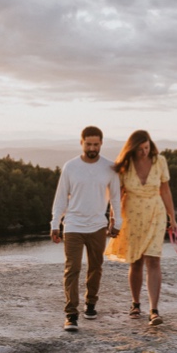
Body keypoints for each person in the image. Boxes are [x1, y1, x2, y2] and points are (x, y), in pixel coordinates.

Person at [50, 126, 123, 332]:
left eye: (96, 144)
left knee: (95, 267)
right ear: (81, 143)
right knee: (72, 268)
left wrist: (117, 222)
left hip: (98, 226)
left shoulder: (110, 168)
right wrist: (55, 224)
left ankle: (91, 304)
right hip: (73, 225)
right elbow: (61, 197)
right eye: (89, 144)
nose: (92, 148)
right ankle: (71, 314)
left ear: (101, 144)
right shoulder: (70, 167)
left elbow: (116, 198)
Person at [105, 130, 177, 326]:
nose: (144, 152)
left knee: (154, 260)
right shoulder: (126, 165)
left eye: (146, 148)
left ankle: (154, 310)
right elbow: (117, 195)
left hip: (156, 213)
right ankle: (136, 304)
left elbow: (165, 190)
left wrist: (173, 217)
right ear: (132, 149)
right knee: (136, 261)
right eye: (140, 149)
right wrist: (113, 219)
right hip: (132, 215)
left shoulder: (159, 161)